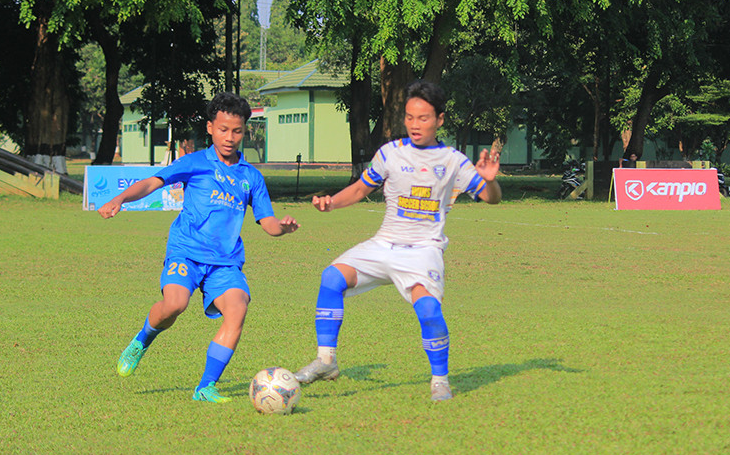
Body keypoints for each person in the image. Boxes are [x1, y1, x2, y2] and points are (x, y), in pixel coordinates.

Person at [293, 79, 502, 401]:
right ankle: (326, 361)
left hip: (423, 250)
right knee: (332, 277)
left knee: (430, 311)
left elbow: (491, 198)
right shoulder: (390, 153)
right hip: (384, 244)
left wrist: (490, 181)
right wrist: (331, 202)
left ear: (440, 119)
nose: (415, 125)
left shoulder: (453, 161)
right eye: (409, 117)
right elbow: (362, 189)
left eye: (423, 118)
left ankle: (440, 381)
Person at [99, 92, 299, 403]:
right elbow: (153, 182)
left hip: (225, 263)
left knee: (237, 310)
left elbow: (268, 222)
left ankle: (205, 388)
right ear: (210, 127)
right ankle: (142, 340)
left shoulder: (250, 177)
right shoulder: (194, 163)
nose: (230, 137)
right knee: (174, 305)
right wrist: (120, 199)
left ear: (244, 130)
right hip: (186, 252)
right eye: (223, 129)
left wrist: (282, 228)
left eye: (237, 131)